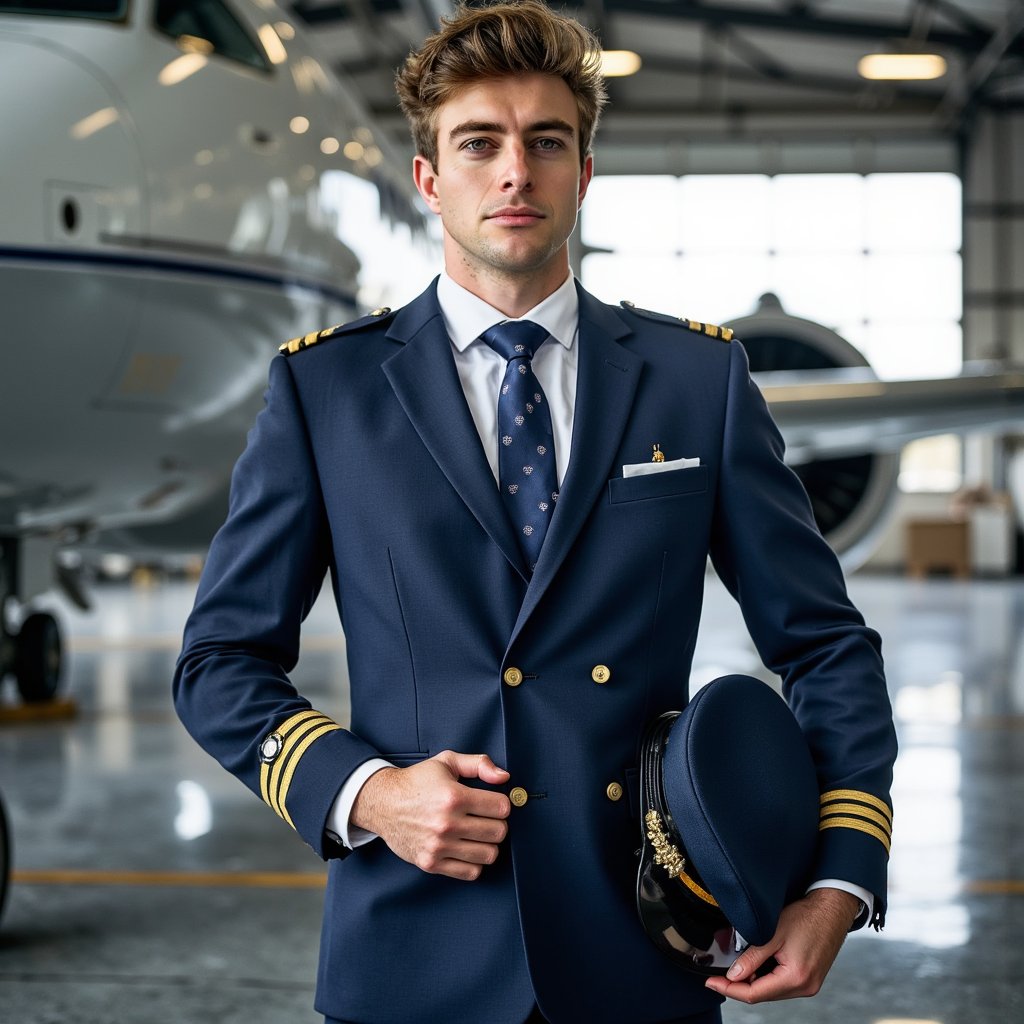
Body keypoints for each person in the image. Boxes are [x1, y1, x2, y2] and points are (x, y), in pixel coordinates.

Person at [173, 3, 897, 1022]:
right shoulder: (324, 394)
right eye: (478, 144)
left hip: (644, 952)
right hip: (412, 958)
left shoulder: (699, 382)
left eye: (546, 142)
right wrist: (366, 791)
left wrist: (838, 876)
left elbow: (823, 642)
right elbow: (218, 662)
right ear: (429, 177)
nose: (515, 172)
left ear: (583, 170)